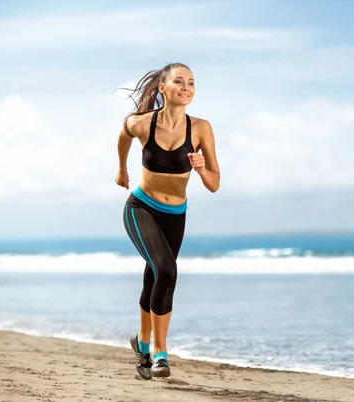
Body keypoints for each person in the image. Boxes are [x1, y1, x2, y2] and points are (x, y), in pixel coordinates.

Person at [114, 62, 220, 379]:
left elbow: (214, 183)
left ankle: (142, 342)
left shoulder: (201, 128)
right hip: (141, 207)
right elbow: (124, 133)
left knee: (155, 277)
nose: (186, 87)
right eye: (178, 81)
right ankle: (160, 354)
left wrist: (201, 169)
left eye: (191, 82)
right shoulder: (143, 124)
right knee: (166, 270)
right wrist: (122, 169)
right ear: (163, 88)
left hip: (176, 214)